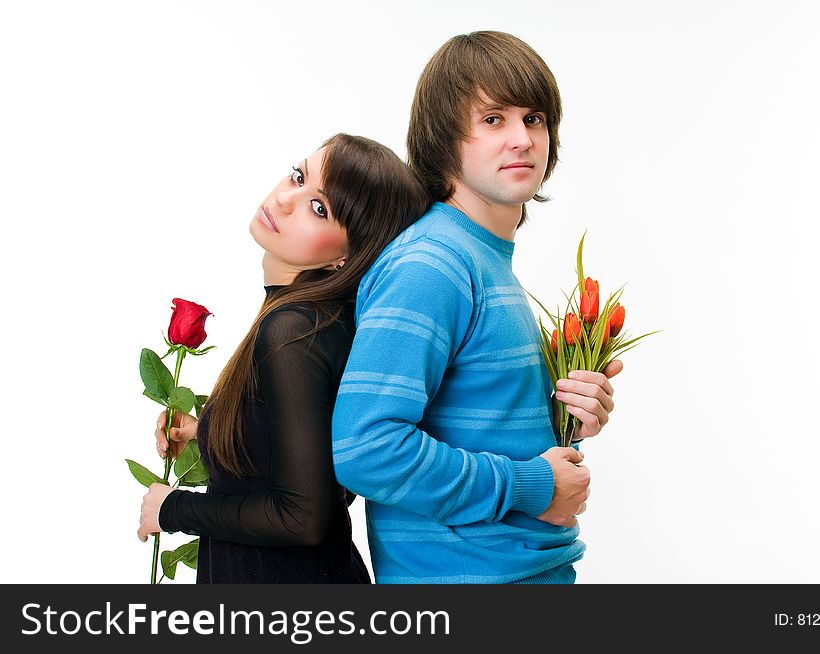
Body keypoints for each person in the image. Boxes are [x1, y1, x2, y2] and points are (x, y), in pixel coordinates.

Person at [331, 31, 623, 584]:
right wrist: (533, 486)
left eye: (534, 119)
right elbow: (366, 448)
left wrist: (569, 414)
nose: (522, 139)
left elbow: (485, 426)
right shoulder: (433, 265)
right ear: (444, 140)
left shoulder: (481, 259)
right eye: (493, 120)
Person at [137, 133, 430, 583]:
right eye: (299, 176)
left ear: (349, 256)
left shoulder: (293, 329)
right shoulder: (316, 320)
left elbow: (302, 516)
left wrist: (172, 508)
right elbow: (309, 448)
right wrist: (209, 431)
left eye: (320, 208)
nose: (287, 199)